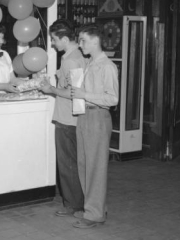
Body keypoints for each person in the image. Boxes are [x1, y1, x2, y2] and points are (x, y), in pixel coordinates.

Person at [70, 24, 119, 229]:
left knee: (96, 167)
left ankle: (94, 214)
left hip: (98, 117)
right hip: (85, 116)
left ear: (95, 41)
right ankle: (93, 207)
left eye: (83, 40)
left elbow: (113, 98)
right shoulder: (91, 63)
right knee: (85, 164)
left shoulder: (107, 66)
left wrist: (84, 95)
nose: (80, 45)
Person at [38, 19, 86, 218]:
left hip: (67, 119)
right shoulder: (78, 56)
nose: (52, 43)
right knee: (74, 163)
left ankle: (72, 204)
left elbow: (76, 92)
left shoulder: (70, 60)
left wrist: (50, 89)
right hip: (75, 118)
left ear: (65, 39)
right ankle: (77, 201)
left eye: (54, 39)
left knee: (67, 164)